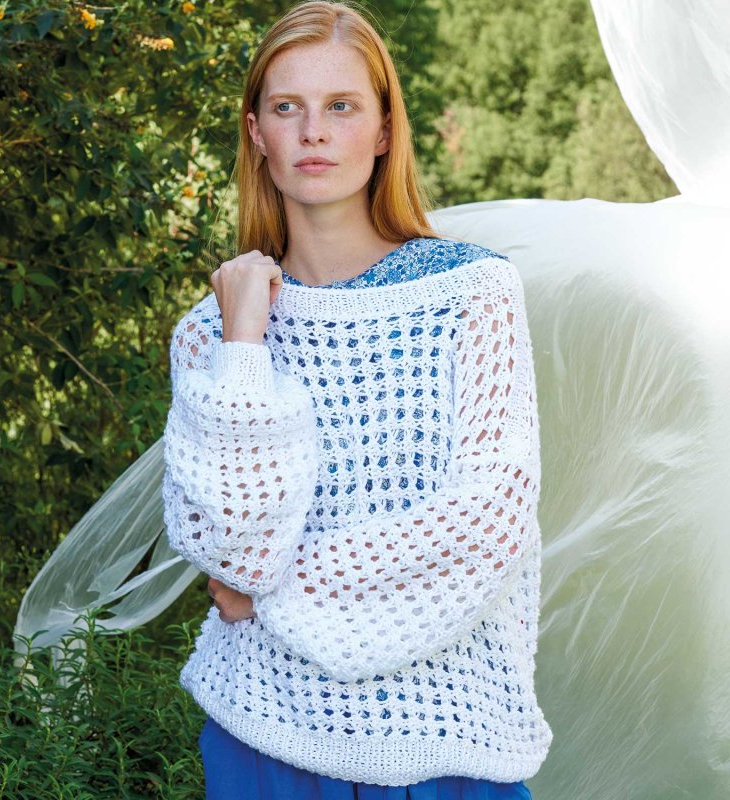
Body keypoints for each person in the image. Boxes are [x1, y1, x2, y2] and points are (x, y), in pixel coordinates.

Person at [161, 1, 552, 798]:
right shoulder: (211, 334)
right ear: (256, 132)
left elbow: (489, 524)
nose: (313, 132)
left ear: (382, 130)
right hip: (261, 737)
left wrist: (269, 594)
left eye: (341, 106)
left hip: (443, 740)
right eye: (287, 108)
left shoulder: (471, 293)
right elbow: (228, 547)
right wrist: (245, 343)